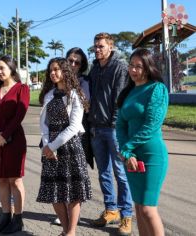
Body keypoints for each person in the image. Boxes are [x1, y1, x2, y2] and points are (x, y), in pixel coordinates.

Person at [37, 57, 92, 236]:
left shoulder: (75, 95)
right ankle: (65, 229)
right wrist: (47, 146)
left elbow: (74, 127)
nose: (53, 73)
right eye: (51, 70)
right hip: (50, 148)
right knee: (54, 192)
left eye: (57, 69)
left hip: (70, 147)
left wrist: (52, 146)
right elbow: (43, 124)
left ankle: (71, 231)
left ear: (65, 71)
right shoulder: (48, 95)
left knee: (74, 192)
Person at [116, 48, 168, 236]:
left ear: (148, 67)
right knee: (138, 208)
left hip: (151, 154)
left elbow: (151, 125)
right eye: (131, 65)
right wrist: (127, 152)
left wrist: (128, 149)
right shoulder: (129, 92)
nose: (133, 70)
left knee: (148, 208)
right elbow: (120, 125)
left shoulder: (157, 89)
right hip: (131, 156)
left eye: (139, 66)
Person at [88, 32, 133, 235]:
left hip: (113, 129)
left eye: (101, 47)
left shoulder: (120, 67)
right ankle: (111, 210)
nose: (97, 50)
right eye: (95, 47)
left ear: (111, 47)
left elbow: (120, 99)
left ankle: (126, 215)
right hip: (96, 127)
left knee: (121, 173)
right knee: (103, 172)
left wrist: (115, 126)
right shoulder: (95, 68)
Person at [0, 55, 30, 234]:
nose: (0, 72)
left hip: (14, 140)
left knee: (15, 179)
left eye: (2, 68)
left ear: (12, 68)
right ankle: (5, 217)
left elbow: (20, 114)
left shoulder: (22, 89)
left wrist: (5, 134)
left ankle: (18, 219)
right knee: (1, 179)